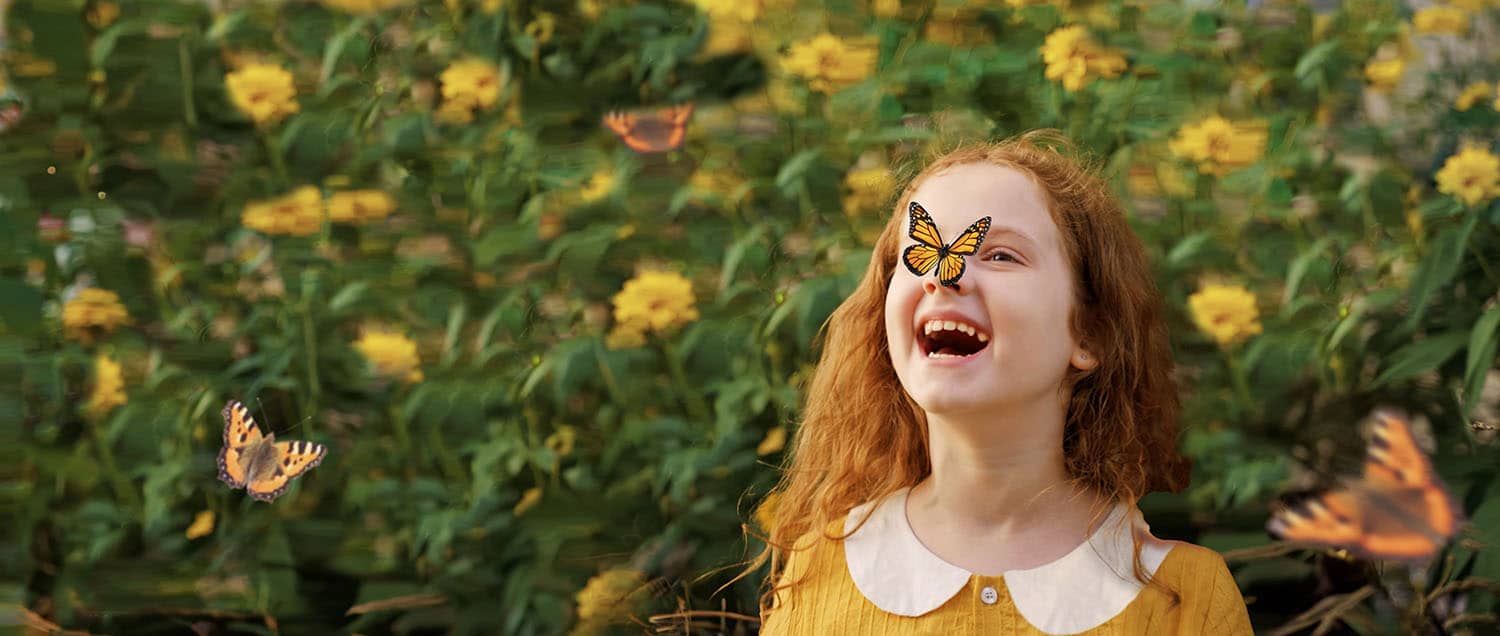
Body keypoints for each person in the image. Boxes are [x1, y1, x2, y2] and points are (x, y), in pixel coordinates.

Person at [750, 131, 1253, 634]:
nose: (944, 277)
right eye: (918, 254)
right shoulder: (818, 573)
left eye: (1000, 256)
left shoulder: (1187, 599)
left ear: (1089, 333)